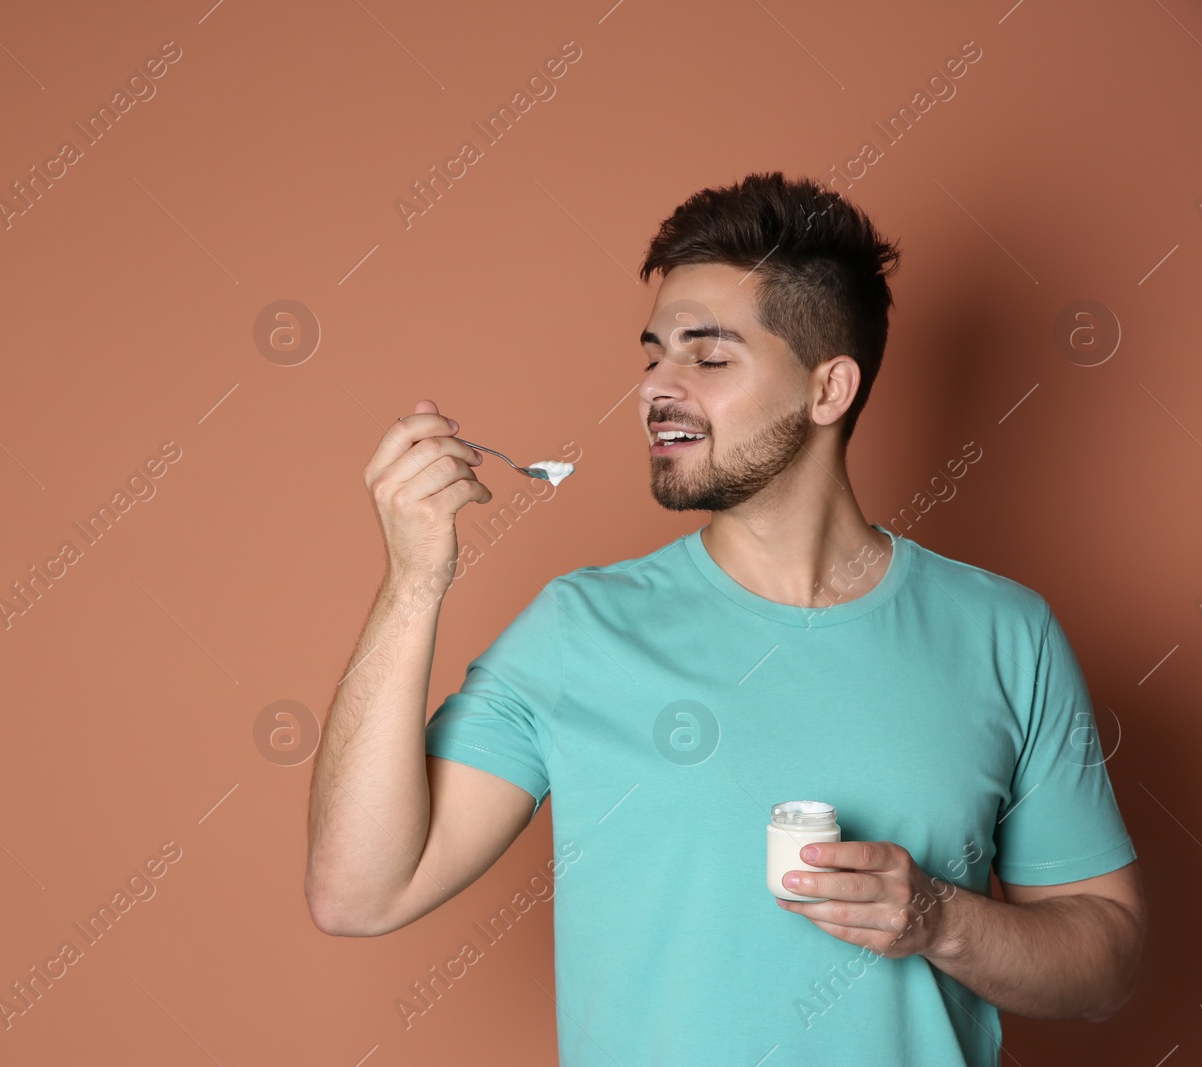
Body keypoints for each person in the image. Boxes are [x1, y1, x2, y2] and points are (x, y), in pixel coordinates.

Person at [305, 171, 1144, 1066]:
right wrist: (412, 582)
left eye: (707, 358)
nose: (657, 389)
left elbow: (1107, 963)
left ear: (830, 390)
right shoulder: (578, 631)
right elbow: (358, 893)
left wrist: (940, 920)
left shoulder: (1006, 633)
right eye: (653, 355)